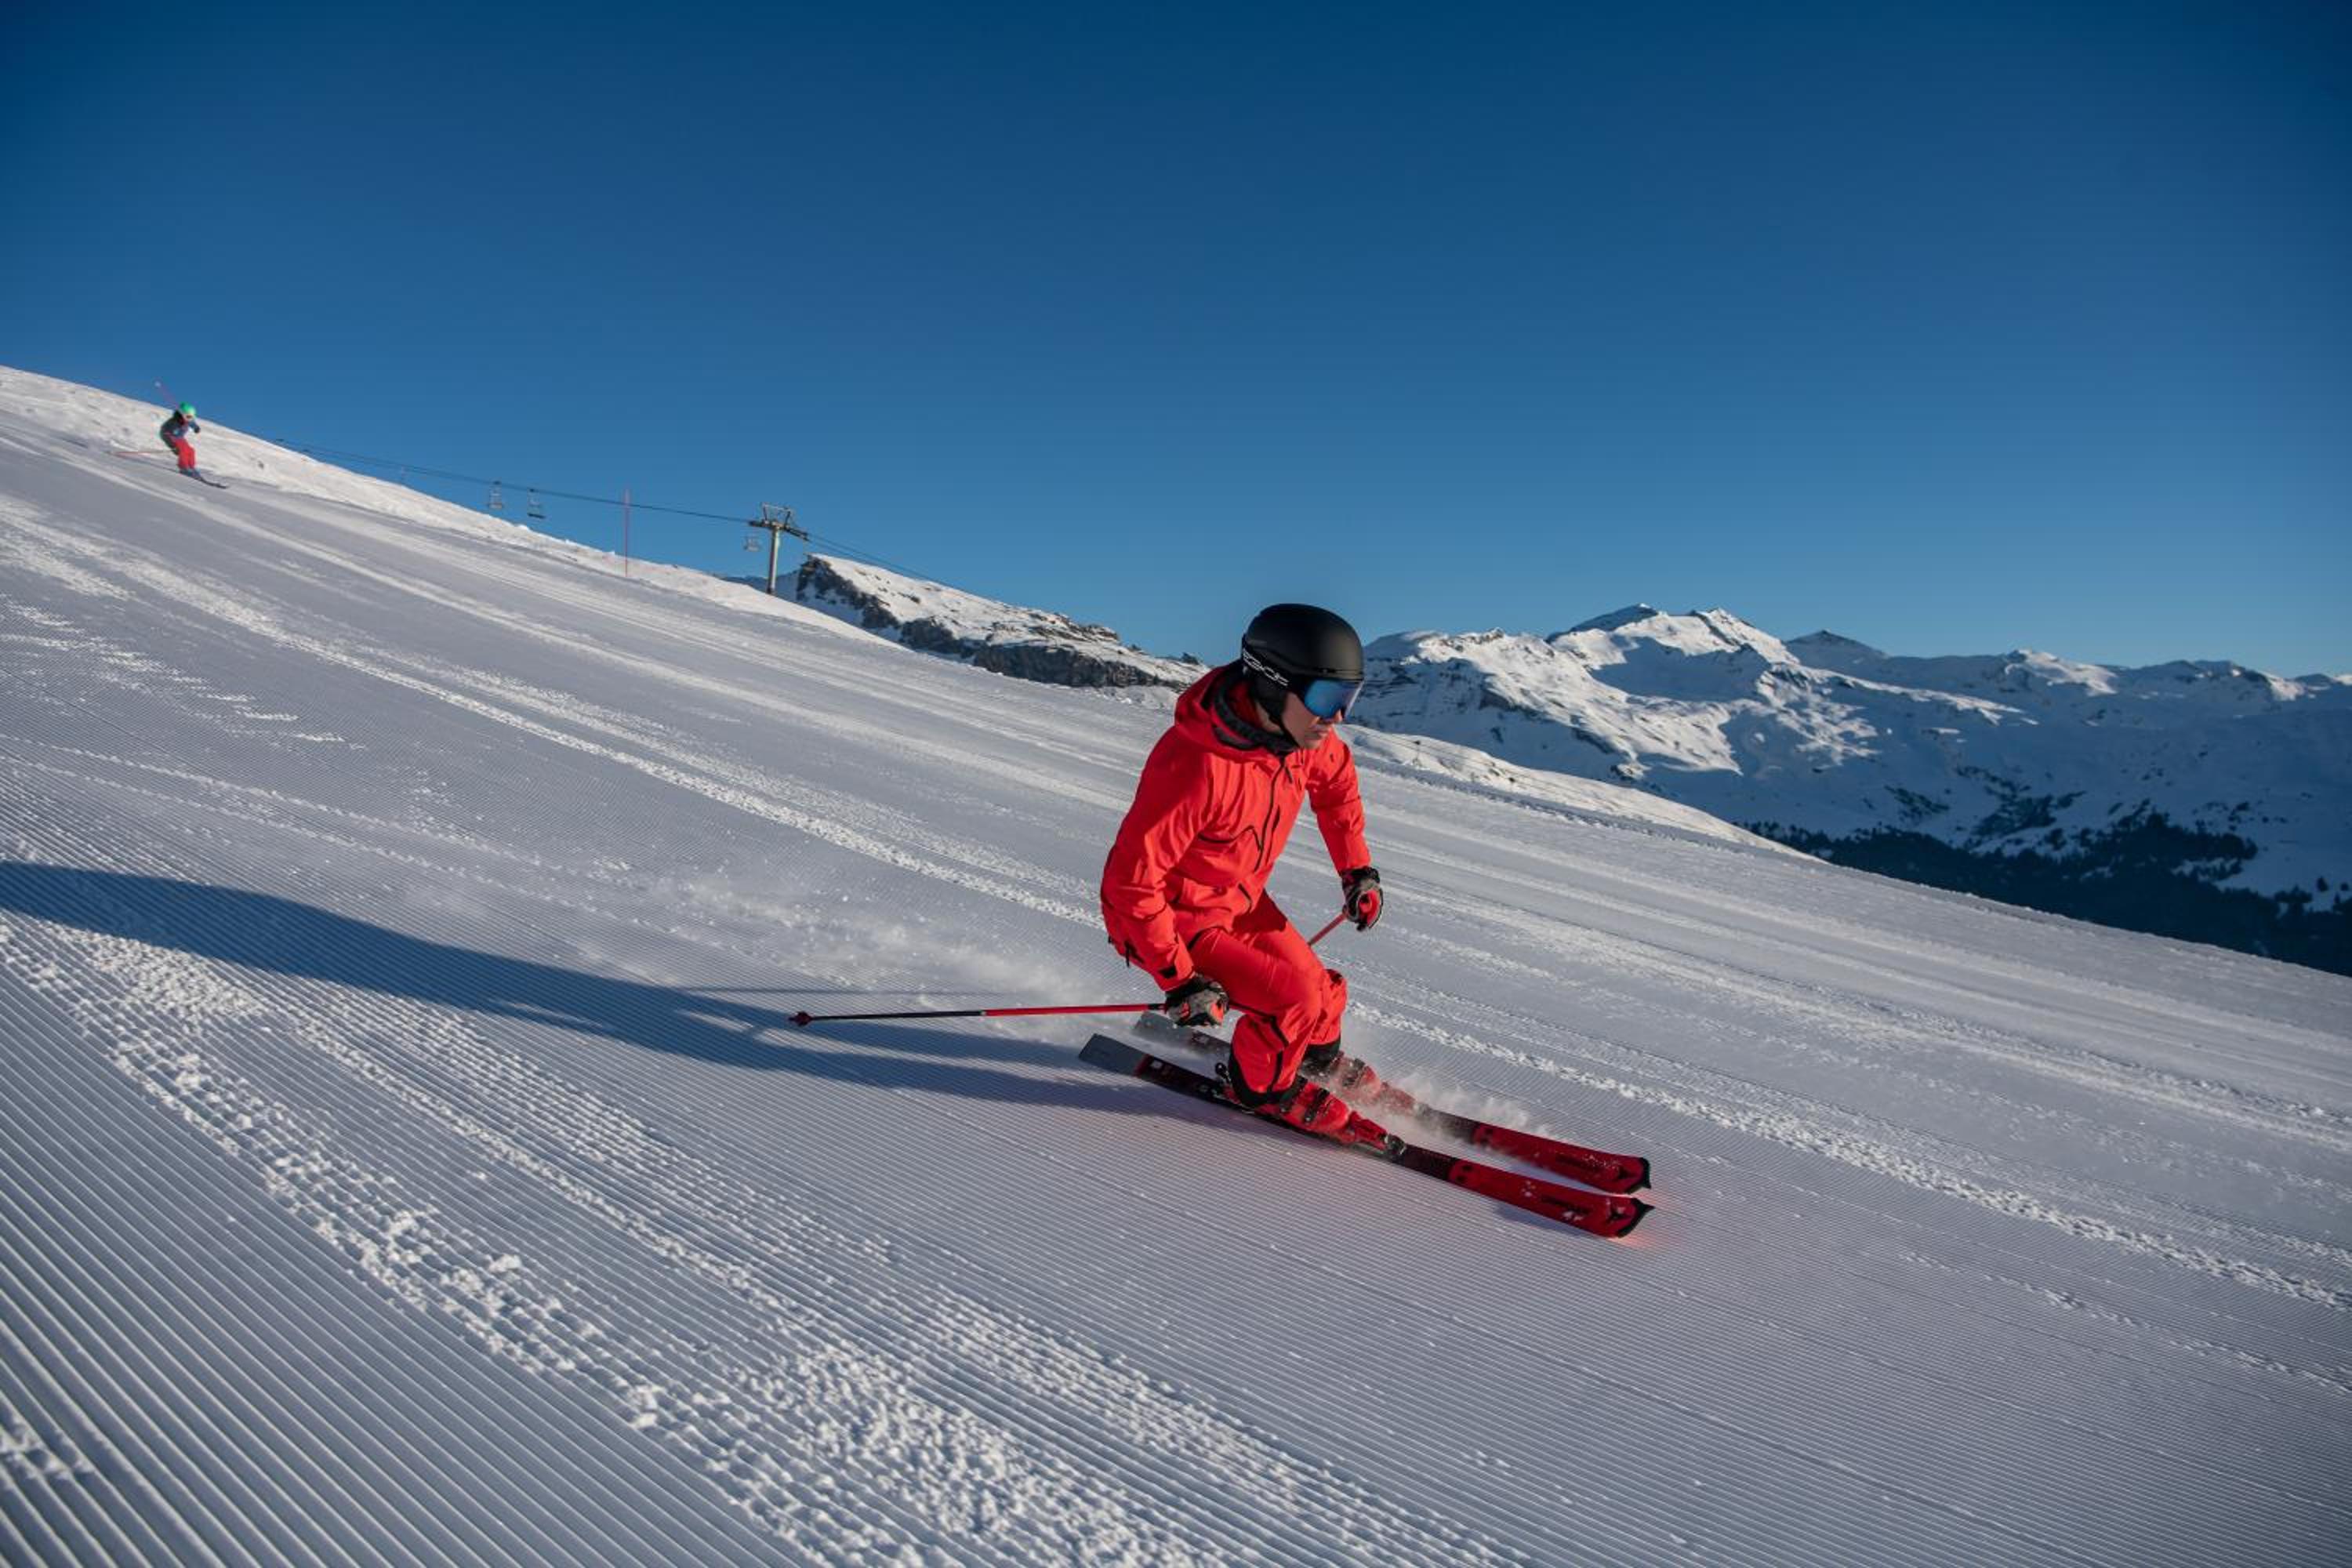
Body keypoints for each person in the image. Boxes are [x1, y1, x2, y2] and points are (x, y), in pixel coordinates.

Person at [1101, 603, 1392, 1142]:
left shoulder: (1301, 743)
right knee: (1292, 1001)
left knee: (1321, 994)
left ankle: (1313, 1060)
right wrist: (1179, 979)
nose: (1336, 717)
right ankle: (1262, 1090)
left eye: (1347, 699)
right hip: (1174, 921)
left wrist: (1356, 870)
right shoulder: (1197, 765)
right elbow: (1131, 884)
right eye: (1325, 698)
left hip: (1240, 901)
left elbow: (1337, 788)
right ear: (1273, 686)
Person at [160, 403, 201, 474]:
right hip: (170, 436)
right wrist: (173, 446)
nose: (190, 419)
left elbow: (192, 423)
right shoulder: (174, 423)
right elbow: (165, 434)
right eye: (188, 417)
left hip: (180, 438)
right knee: (183, 450)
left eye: (192, 417)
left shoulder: (188, 420)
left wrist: (196, 428)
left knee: (191, 451)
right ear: (182, 414)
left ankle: (191, 467)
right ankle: (184, 467)